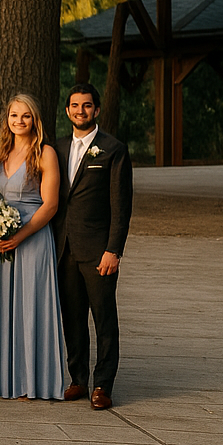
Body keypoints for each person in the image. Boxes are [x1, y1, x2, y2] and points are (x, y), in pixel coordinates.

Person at [53, 83, 133, 409]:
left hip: (99, 250)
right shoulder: (56, 148)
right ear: (68, 110)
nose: (80, 111)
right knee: (72, 318)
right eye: (75, 106)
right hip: (63, 248)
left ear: (96, 110)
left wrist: (114, 250)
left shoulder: (113, 149)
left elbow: (121, 205)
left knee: (103, 318)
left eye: (87, 106)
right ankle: (78, 379)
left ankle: (103, 385)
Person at [0, 92, 68, 400]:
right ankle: (5, 379)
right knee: (4, 308)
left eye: (25, 116)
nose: (19, 121)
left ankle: (33, 382)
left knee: (30, 308)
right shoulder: (0, 154)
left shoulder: (44, 153)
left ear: (35, 120)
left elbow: (50, 205)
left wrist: (19, 236)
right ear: (6, 120)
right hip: (0, 239)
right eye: (14, 115)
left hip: (32, 239)